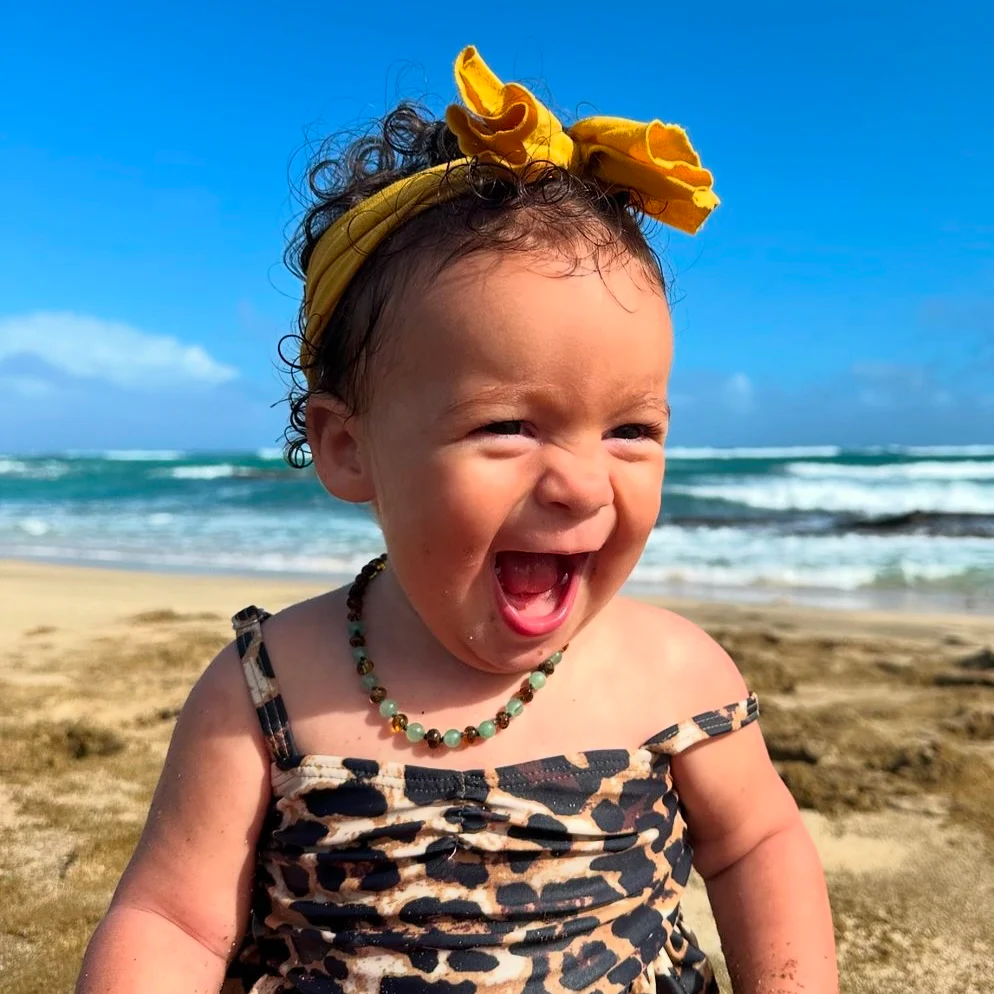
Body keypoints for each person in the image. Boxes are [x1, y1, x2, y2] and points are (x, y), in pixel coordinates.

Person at [76, 46, 837, 994]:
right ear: (347, 447)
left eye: (631, 429)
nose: (583, 485)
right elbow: (174, 922)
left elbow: (758, 843)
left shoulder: (676, 673)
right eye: (508, 426)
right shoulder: (268, 689)